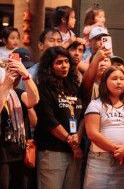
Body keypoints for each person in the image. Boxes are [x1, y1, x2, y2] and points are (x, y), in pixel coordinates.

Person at [0, 55, 39, 189]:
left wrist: (26, 75)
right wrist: (5, 87)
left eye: (1, 65)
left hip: (19, 156)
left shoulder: (16, 93)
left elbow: (34, 100)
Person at [84, 67, 124, 188]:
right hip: (100, 162)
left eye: (122, 79)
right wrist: (119, 150)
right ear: (105, 81)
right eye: (114, 78)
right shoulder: (96, 104)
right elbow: (92, 133)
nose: (119, 82)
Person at [35, 46, 84, 188]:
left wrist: (78, 138)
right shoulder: (43, 89)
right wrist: (71, 141)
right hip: (52, 151)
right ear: (49, 66)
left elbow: (82, 116)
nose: (64, 66)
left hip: (75, 150)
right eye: (59, 62)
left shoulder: (73, 87)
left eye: (66, 61)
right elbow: (49, 121)